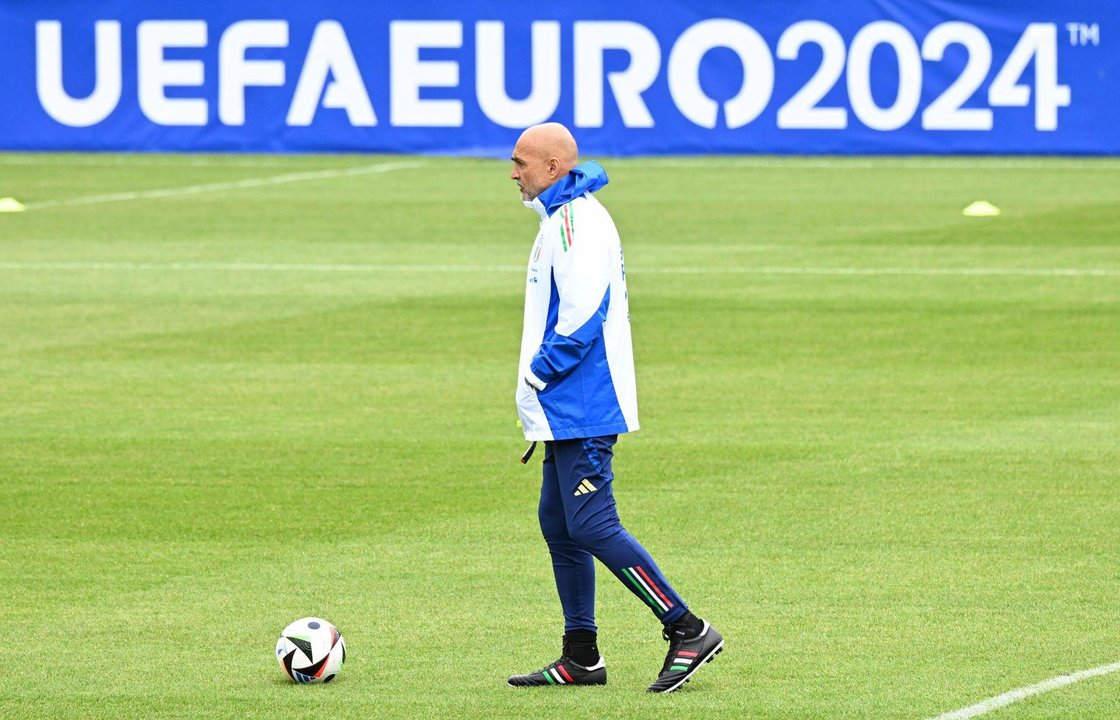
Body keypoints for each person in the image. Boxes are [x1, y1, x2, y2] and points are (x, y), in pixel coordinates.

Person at [506, 122, 723, 693]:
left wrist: (537, 374)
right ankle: (582, 657)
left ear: (553, 167)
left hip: (583, 400)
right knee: (559, 523)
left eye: (522, 162)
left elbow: (582, 314)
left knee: (592, 523)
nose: (513, 172)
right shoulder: (563, 216)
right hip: (568, 405)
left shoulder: (577, 221)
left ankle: (687, 627)